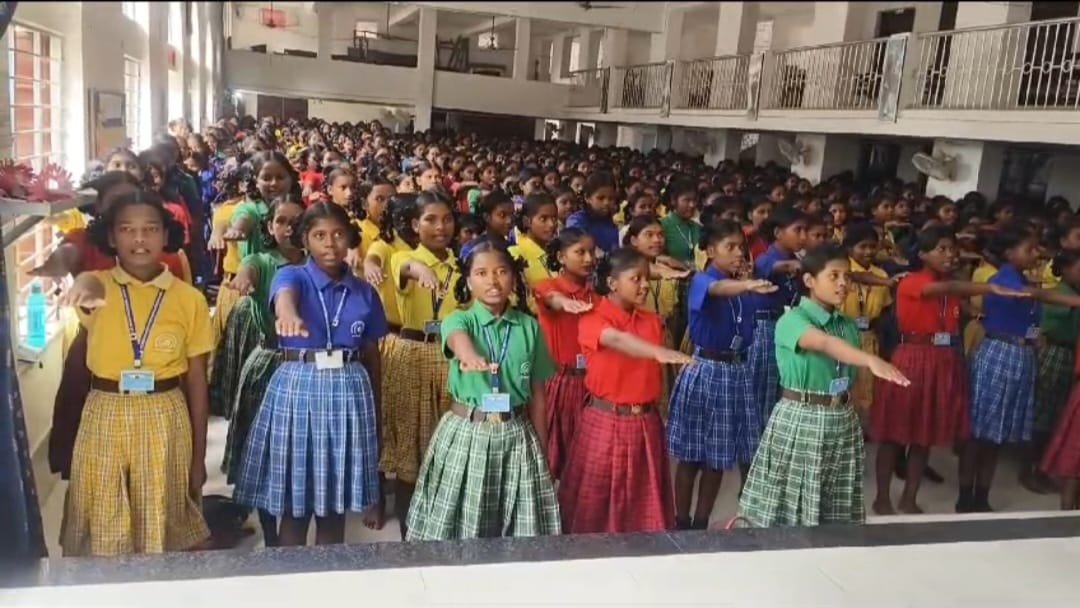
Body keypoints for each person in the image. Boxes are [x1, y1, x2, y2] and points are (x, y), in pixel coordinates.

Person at [58, 189, 211, 556]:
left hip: (165, 414)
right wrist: (81, 281)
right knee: (104, 518)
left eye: (150, 229)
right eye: (127, 229)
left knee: (160, 517)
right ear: (111, 237)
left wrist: (198, 458)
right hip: (105, 411)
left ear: (166, 234)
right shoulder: (96, 284)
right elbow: (84, 284)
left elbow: (197, 381)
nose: (139, 239)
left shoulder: (189, 299)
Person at [234, 202, 387, 546]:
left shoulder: (364, 292)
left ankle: (327, 571)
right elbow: (284, 298)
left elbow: (372, 355)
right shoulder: (292, 276)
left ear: (350, 238)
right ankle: (291, 572)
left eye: (338, 234)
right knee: (295, 505)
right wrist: (287, 315)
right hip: (299, 387)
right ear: (304, 239)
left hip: (349, 390)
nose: (330, 243)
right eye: (319, 235)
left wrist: (377, 410)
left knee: (333, 507)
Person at [737, 244, 910, 528]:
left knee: (836, 505)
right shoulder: (792, 320)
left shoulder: (847, 324)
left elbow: (845, 371)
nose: (843, 283)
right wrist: (870, 359)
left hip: (842, 417)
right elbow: (824, 343)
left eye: (847, 276)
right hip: (803, 417)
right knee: (792, 508)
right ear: (809, 280)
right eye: (834, 276)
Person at [406, 239, 560, 540]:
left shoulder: (528, 327)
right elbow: (456, 337)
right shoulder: (459, 319)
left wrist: (541, 448)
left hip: (517, 433)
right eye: (481, 273)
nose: (493, 281)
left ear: (513, 277)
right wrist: (468, 355)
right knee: (461, 521)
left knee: (515, 524)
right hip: (468, 430)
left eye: (501, 272)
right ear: (468, 281)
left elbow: (539, 397)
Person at [871, 226, 1027, 514]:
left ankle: (909, 497)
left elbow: (958, 304)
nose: (949, 254)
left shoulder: (954, 287)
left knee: (924, 437)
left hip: (943, 360)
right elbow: (941, 289)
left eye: (952, 249)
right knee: (894, 435)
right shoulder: (913, 281)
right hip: (913, 357)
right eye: (941, 249)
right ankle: (882, 497)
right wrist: (988, 287)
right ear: (922, 254)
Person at [558, 248, 693, 534]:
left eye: (647, 278)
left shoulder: (651, 320)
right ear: (612, 283)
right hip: (607, 420)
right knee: (594, 510)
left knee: (643, 506)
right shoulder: (592, 318)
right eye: (636, 279)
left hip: (646, 421)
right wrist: (656, 352)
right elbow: (617, 340)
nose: (644, 285)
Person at [962, 223, 1080, 512]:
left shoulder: (1023, 279)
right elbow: (1038, 296)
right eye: (1030, 249)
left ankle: (982, 494)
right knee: (979, 433)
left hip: (1021, 355)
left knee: (996, 435)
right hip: (1000, 353)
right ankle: (966, 494)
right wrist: (1073, 299)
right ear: (1009, 253)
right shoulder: (1004, 280)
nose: (1036, 253)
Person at [667, 220, 776, 530]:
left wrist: (747, 285)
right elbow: (717, 290)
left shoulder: (743, 285)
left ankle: (701, 523)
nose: (739, 252)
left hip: (737, 371)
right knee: (691, 457)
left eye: (741, 246)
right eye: (730, 247)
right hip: (707, 370)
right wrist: (747, 285)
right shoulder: (705, 280)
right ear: (712, 251)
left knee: (718, 457)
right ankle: (681, 521)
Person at [385, 191, 460, 539]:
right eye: (430, 219)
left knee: (448, 449)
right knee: (411, 452)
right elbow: (409, 269)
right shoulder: (403, 256)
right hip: (414, 355)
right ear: (415, 224)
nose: (440, 227)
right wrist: (424, 270)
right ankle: (409, 535)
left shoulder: (462, 266)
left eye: (447, 219)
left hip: (453, 358)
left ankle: (444, 530)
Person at [532, 228, 597, 478]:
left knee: (584, 462)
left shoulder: (596, 296)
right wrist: (565, 302)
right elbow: (551, 298)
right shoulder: (547, 286)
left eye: (592, 252)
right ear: (561, 257)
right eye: (580, 252)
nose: (589, 259)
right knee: (549, 457)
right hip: (557, 382)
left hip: (590, 383)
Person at [1028, 249, 1080, 495]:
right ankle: (1030, 470)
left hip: (1067, 353)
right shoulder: (1062, 294)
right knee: (1043, 414)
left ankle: (1042, 468)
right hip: (1056, 352)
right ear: (1066, 269)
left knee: (1053, 414)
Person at [751, 206, 807, 423]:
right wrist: (805, 265)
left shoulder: (795, 257)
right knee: (764, 390)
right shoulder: (767, 259)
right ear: (778, 233)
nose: (803, 236)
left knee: (781, 387)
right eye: (798, 230)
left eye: (806, 231)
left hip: (788, 326)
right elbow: (778, 266)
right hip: (766, 328)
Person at [508, 193, 559, 312]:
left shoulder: (557, 250)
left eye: (554, 218)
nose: (551, 224)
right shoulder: (516, 254)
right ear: (527, 221)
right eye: (543, 219)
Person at [566, 172, 619, 255]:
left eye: (611, 198)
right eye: (600, 198)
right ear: (587, 198)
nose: (606, 203)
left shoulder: (615, 223)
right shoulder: (577, 220)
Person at [660, 181, 702, 265]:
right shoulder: (662, 226)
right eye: (687, 200)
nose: (692, 205)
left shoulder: (697, 227)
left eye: (694, 200)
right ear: (673, 201)